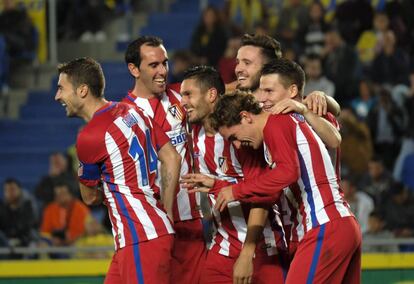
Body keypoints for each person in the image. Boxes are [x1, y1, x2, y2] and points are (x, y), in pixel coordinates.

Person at [209, 59, 361, 283]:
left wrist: (236, 191)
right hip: (342, 224)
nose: (262, 98)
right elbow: (334, 136)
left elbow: (287, 172)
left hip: (323, 225)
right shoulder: (302, 117)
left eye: (269, 90)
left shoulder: (277, 122)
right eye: (260, 91)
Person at [55, 57, 180, 283]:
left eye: (61, 88)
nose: (58, 96)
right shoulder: (133, 111)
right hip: (143, 233)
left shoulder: (89, 136)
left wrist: (112, 190)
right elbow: (171, 155)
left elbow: (90, 197)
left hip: (140, 238)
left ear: (82, 90)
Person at [180, 65, 286, 284]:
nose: (183, 102)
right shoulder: (193, 134)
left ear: (211, 95)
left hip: (261, 249)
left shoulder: (242, 136)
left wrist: (247, 254)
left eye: (188, 94)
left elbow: (263, 194)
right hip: (221, 249)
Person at [122, 36, 205, 283]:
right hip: (153, 228)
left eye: (164, 63)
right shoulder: (125, 115)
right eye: (154, 65)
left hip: (191, 219)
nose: (162, 71)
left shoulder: (181, 95)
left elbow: (220, 91)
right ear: (133, 69)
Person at [0, 178, 38, 258]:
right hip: (6, 242)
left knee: (33, 239)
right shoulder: (1, 207)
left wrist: (17, 239)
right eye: (7, 190)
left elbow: (29, 226)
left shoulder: (28, 205)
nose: (10, 193)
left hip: (25, 241)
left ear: (20, 190)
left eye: (12, 189)